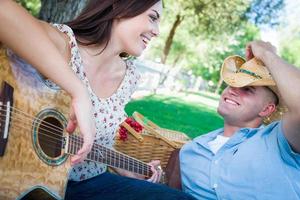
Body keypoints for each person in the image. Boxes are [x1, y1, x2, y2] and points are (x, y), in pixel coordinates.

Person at [0, 0, 196, 199]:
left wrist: (122, 167)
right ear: (119, 7)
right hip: (24, 176)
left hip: (89, 182)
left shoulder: (129, 77)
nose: (157, 31)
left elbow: (88, 141)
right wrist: (79, 92)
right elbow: (4, 11)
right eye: (152, 18)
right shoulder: (65, 43)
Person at [180, 40, 300, 200]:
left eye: (247, 89)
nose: (232, 90)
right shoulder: (191, 149)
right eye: (232, 83)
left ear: (266, 109)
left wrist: (267, 54)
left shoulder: (279, 141)